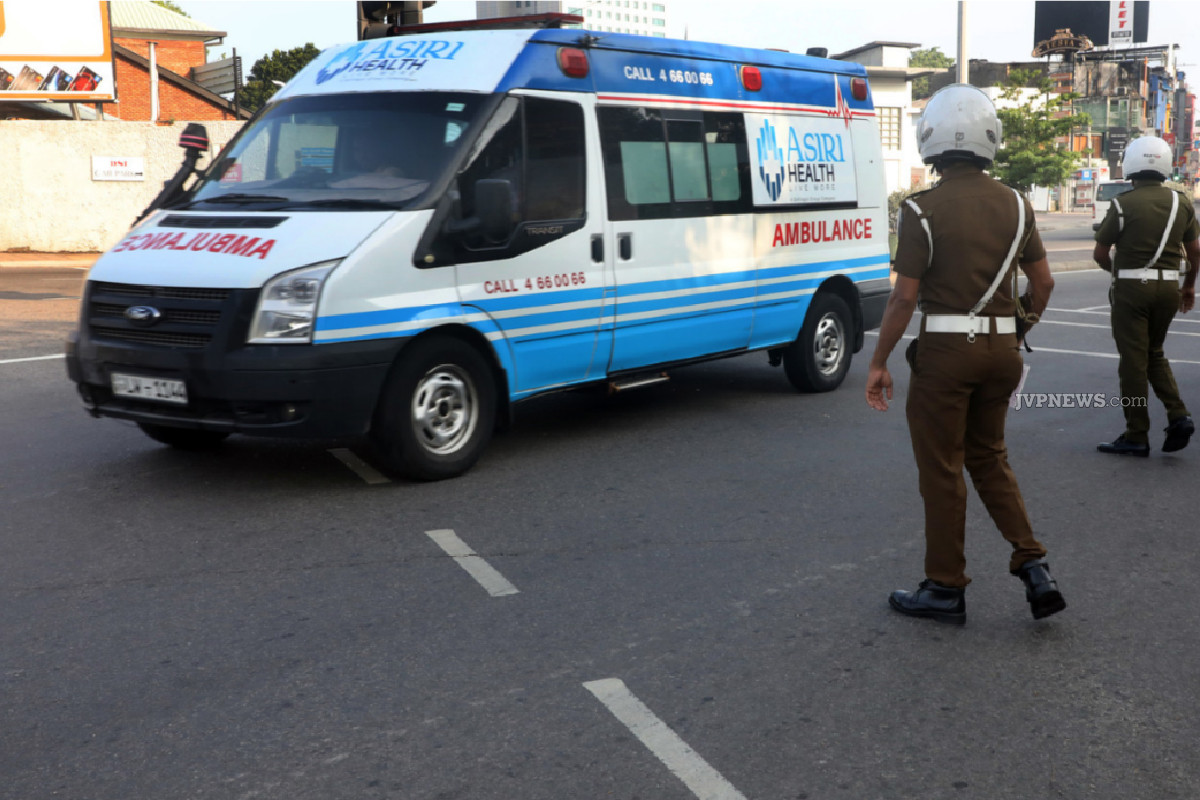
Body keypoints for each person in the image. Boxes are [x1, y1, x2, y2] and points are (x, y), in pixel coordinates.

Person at [865, 84, 1064, 624]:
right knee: (989, 456)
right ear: (990, 139)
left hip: (946, 356)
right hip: (1003, 354)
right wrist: (1017, 328)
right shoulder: (1018, 205)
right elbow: (1043, 285)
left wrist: (879, 361)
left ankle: (945, 586)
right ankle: (1033, 563)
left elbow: (905, 297)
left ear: (930, 140)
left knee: (942, 469)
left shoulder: (921, 210)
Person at [1093, 136, 1200, 457]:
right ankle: (1179, 414)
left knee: (1132, 363)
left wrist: (1118, 274)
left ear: (1131, 167)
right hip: (1168, 289)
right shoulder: (1182, 203)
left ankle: (1136, 433)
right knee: (1154, 352)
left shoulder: (1122, 204)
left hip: (1131, 291)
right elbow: (1196, 253)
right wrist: (1188, 286)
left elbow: (1100, 253)